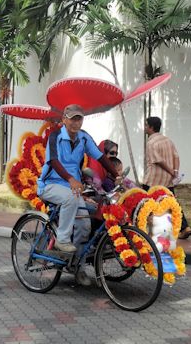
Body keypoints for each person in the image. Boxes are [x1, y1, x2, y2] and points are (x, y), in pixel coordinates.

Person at [37, 104, 120, 286]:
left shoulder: (83, 137)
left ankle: (78, 267)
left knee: (84, 224)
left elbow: (100, 157)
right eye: (72, 118)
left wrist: (116, 175)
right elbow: (53, 161)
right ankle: (63, 240)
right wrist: (70, 179)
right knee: (70, 198)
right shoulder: (56, 136)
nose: (76, 122)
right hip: (51, 184)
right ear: (64, 119)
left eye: (79, 118)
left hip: (73, 189)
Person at [143, 116, 191, 239]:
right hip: (168, 181)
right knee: (173, 203)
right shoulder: (167, 140)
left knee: (145, 205)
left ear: (151, 127)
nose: (144, 128)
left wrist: (171, 171)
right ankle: (185, 227)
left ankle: (145, 230)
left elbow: (158, 161)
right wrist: (175, 172)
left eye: (146, 125)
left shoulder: (151, 142)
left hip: (153, 180)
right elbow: (176, 157)